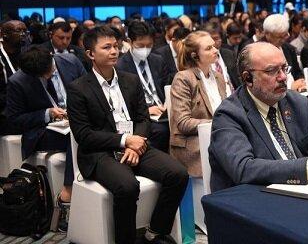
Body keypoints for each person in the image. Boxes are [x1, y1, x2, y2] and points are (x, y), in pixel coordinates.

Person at [67, 26, 188, 244]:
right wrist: (124, 140)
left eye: (115, 46)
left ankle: (156, 231)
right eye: (106, 47)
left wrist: (134, 144)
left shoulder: (130, 80)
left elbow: (143, 119)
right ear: (90, 54)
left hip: (136, 145)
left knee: (178, 174)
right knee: (128, 186)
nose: (114, 51)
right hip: (100, 153)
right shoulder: (78, 88)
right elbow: (84, 135)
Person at [209, 42, 308, 192]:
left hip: (305, 191)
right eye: (272, 71)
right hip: (253, 197)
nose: (283, 77)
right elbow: (244, 168)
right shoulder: (229, 115)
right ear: (248, 78)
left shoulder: (296, 102)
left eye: (284, 68)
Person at [5, 47, 85, 230]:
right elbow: (14, 120)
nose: (46, 77)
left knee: (84, 132)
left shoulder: (71, 61)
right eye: (40, 76)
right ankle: (67, 195)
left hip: (77, 120)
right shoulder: (18, 81)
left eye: (47, 72)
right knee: (75, 135)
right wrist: (46, 114)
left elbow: (90, 88)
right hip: (43, 132)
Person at [169, 31, 226, 177]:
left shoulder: (218, 77)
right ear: (195, 56)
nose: (215, 50)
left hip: (217, 136)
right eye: (208, 48)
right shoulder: (183, 78)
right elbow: (183, 123)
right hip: (193, 143)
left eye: (214, 46)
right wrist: (217, 123)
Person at [116, 21, 170, 152]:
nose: (145, 50)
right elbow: (123, 101)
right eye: (140, 46)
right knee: (161, 131)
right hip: (142, 115)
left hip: (163, 111)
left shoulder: (158, 60)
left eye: (149, 45)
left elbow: (167, 86)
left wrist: (168, 104)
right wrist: (146, 110)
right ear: (130, 41)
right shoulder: (120, 66)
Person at [262, 14, 306, 92]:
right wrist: (289, 87)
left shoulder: (289, 49)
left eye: (285, 34)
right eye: (280, 37)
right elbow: (263, 82)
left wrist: (301, 82)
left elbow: (297, 72)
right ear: (267, 34)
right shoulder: (257, 53)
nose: (284, 39)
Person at [0, 20, 29, 135]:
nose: (23, 34)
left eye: (25, 31)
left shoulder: (27, 54)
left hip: (26, 106)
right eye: (18, 31)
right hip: (5, 110)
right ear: (4, 35)